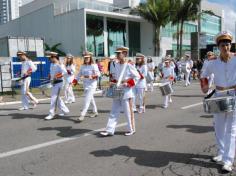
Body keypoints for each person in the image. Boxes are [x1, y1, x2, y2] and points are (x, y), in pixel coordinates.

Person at [200, 31, 236, 173]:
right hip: (219, 94)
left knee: (232, 129)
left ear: (231, 45)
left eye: (228, 44)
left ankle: (228, 160)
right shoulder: (212, 63)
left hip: (234, 94)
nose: (226, 47)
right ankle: (221, 152)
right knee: (219, 126)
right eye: (223, 45)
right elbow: (204, 74)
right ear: (218, 47)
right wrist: (204, 86)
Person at [100, 46, 140, 137]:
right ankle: (109, 130)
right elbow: (116, 77)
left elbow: (137, 76)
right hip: (117, 90)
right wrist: (112, 82)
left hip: (126, 91)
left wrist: (128, 83)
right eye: (117, 53)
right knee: (114, 111)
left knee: (128, 112)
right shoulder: (116, 64)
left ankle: (131, 129)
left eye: (119, 53)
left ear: (125, 54)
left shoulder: (129, 65)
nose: (117, 55)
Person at [75, 51, 100, 122]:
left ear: (90, 57)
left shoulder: (93, 65)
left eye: (87, 57)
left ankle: (82, 114)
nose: (86, 59)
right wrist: (75, 80)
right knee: (90, 98)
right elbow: (79, 74)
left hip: (92, 84)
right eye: (85, 57)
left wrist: (92, 76)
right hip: (85, 84)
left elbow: (98, 74)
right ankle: (95, 111)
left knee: (87, 100)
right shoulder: (82, 66)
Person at [45, 52, 69, 120]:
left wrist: (57, 76)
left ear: (54, 57)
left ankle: (52, 114)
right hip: (54, 82)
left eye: (50, 58)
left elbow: (64, 72)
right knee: (57, 98)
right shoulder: (52, 64)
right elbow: (51, 72)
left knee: (53, 98)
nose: (49, 59)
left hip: (59, 83)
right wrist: (49, 76)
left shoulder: (60, 64)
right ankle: (65, 111)